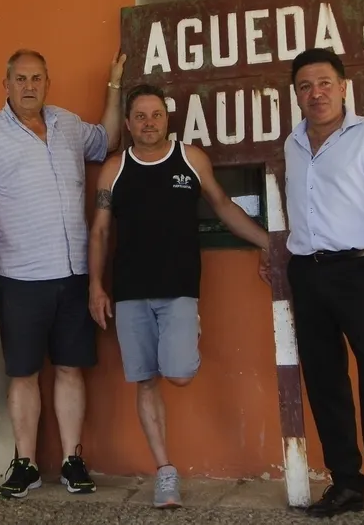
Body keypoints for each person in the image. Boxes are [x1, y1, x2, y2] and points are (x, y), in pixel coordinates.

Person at [87, 83, 271, 508]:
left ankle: (188, 338)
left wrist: (268, 242)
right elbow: (99, 230)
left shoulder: (190, 158)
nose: (148, 123)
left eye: (155, 115)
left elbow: (223, 205)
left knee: (180, 373)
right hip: (130, 291)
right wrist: (95, 286)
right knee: (146, 379)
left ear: (165, 118)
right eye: (139, 116)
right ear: (129, 123)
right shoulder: (115, 168)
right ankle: (165, 471)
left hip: (180, 289)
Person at [0, 48, 126, 499]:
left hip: (73, 274)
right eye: (21, 78)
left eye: (37, 78)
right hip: (18, 276)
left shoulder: (68, 124)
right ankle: (25, 463)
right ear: (6, 84)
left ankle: (73, 460)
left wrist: (113, 85)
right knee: (24, 373)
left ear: (47, 82)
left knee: (71, 369)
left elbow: (107, 140)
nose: (29, 86)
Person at [272, 47, 364, 525]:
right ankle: (347, 485)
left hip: (362, 273)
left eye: (324, 84)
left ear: (342, 87)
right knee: (325, 382)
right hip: (308, 273)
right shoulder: (293, 143)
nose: (315, 94)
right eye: (304, 86)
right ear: (296, 95)